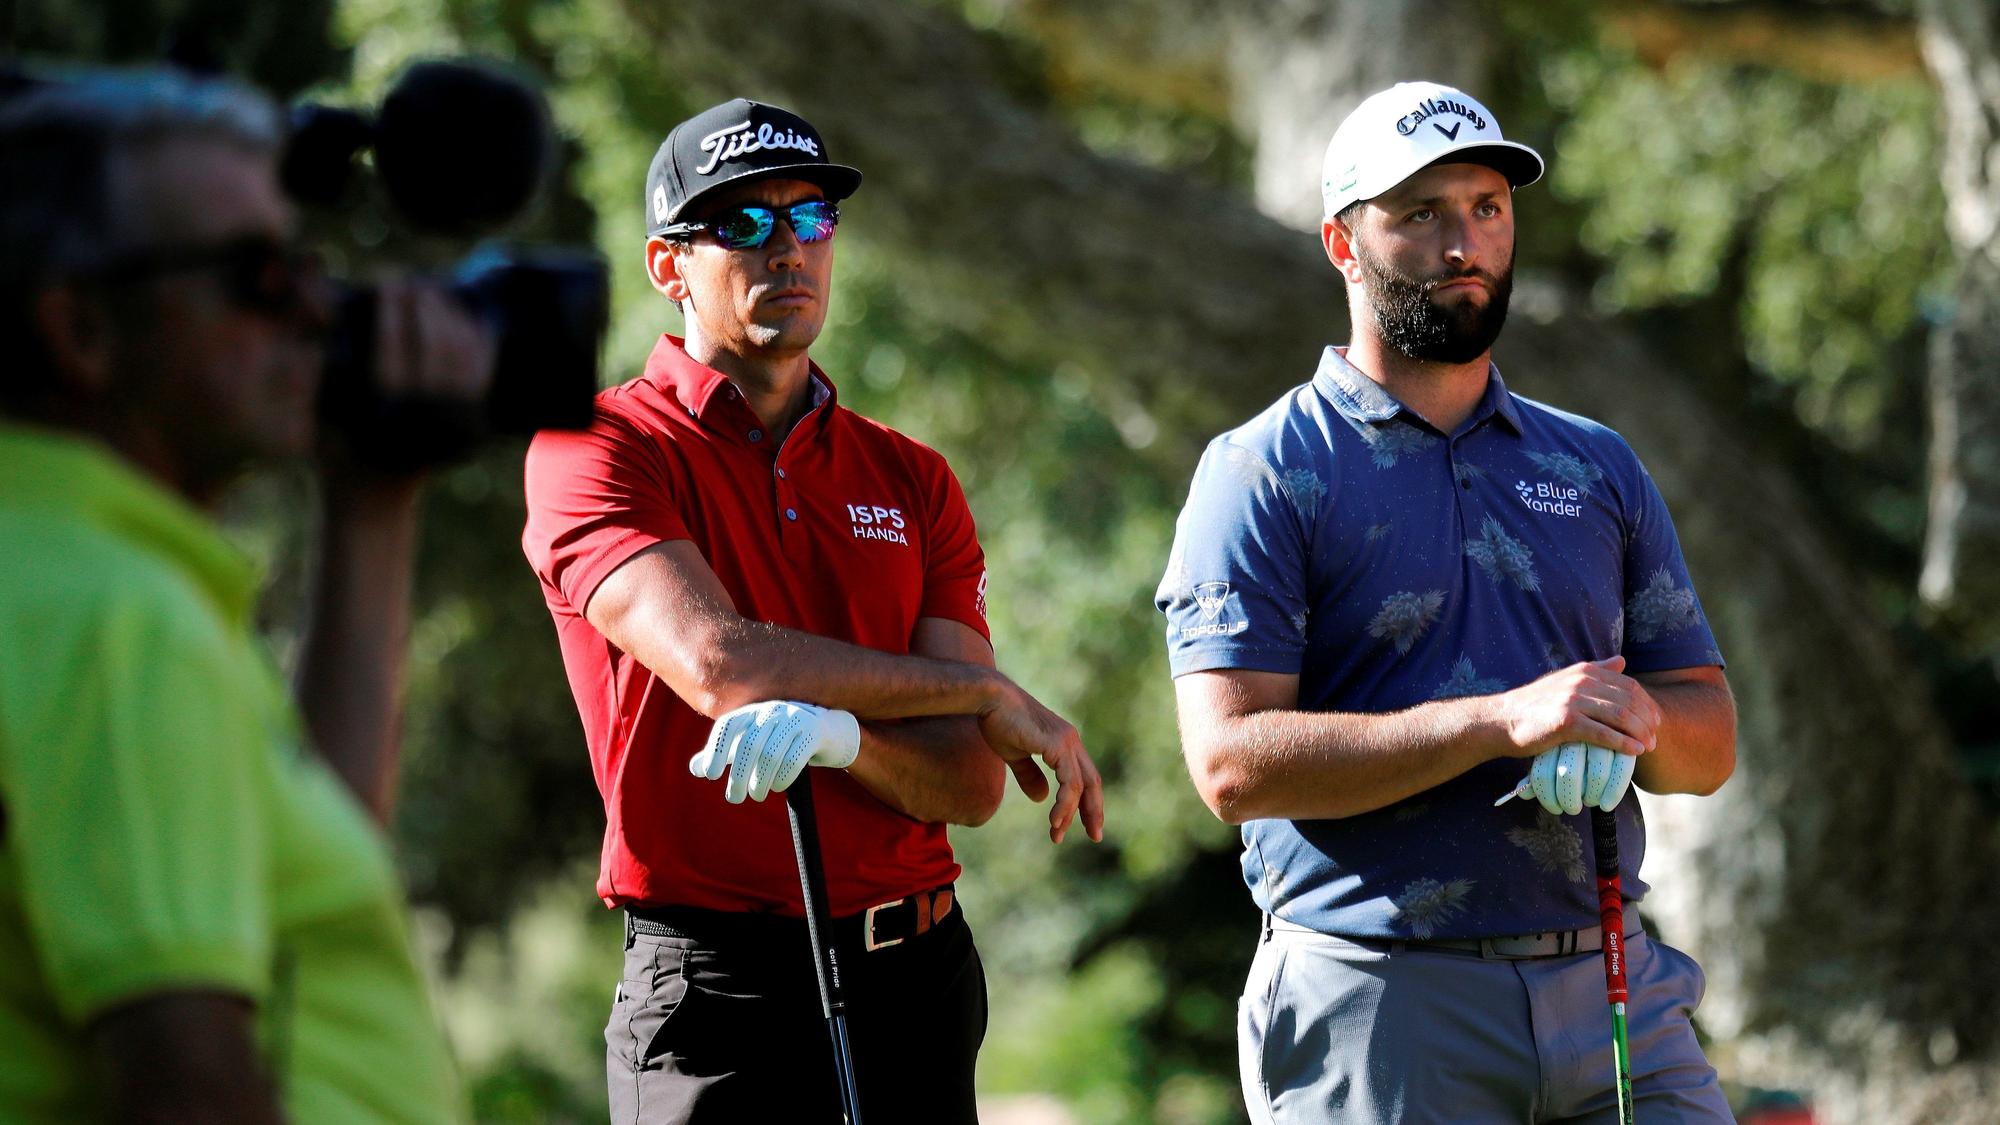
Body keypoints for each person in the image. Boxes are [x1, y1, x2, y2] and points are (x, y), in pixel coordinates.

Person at [1155, 81, 1738, 1123]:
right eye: (1417, 213)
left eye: (1484, 208)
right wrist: (1498, 723)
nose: (1460, 242)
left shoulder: (1591, 463)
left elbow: (1706, 737)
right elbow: (1231, 766)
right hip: (1380, 999)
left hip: (1610, 982)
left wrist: (1634, 722)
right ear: (1342, 244)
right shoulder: (1262, 469)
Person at [521, 97, 1105, 1124]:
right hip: (714, 991)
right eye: (744, 224)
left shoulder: (911, 477)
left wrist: (844, 741)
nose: (787, 247)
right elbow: (716, 662)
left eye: (810, 220)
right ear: (668, 266)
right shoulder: (597, 447)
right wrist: (978, 686)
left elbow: (966, 783)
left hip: (914, 976)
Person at [0, 69, 492, 1121]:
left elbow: (290, 879)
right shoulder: (120, 620)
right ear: (79, 332)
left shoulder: (52, 572)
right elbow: (187, 1083)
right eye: (258, 276)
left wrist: (371, 507)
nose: (318, 308)